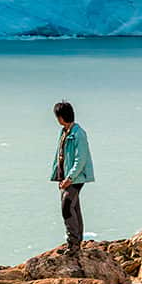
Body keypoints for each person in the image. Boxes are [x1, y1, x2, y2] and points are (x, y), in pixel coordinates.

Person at [50, 101, 93, 258]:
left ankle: (73, 243)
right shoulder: (65, 132)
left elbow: (80, 159)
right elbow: (61, 156)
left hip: (75, 177)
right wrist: (60, 176)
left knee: (67, 206)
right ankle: (75, 242)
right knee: (73, 207)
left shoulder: (78, 134)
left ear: (61, 117)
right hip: (67, 177)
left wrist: (69, 178)